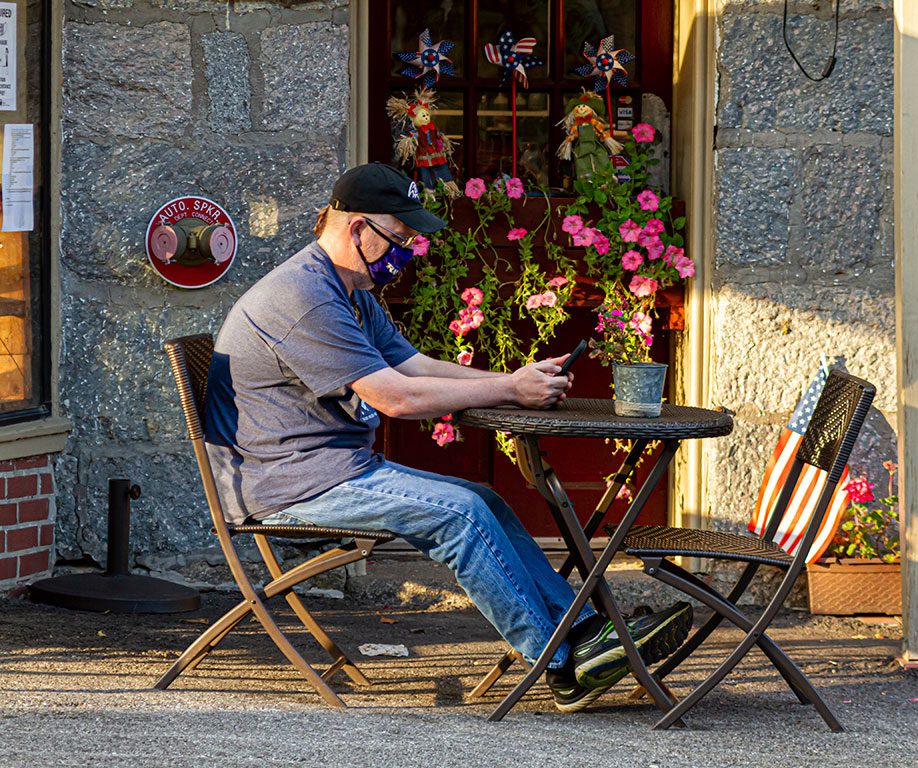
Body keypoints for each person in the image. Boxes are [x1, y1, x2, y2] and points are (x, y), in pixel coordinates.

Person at [204, 162, 691, 712]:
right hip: (291, 485)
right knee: (461, 515)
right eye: (400, 238)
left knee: (486, 499)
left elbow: (414, 366)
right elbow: (396, 398)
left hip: (332, 469)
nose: (406, 252)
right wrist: (510, 390)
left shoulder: (348, 288)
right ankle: (559, 664)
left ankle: (584, 635)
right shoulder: (305, 297)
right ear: (357, 228)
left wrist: (516, 383)